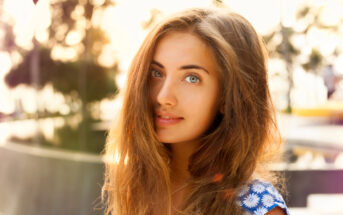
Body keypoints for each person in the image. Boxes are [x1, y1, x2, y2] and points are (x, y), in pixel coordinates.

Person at [102, 7, 290, 215]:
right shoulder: (139, 185)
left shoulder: (256, 206)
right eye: (156, 73)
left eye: (192, 78)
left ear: (229, 97)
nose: (163, 96)